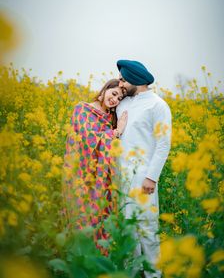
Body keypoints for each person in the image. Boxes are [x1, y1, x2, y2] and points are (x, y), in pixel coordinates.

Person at [116, 60, 172, 278]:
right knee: (127, 230)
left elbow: (163, 143)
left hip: (143, 180)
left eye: (122, 79)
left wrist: (151, 177)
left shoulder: (158, 105)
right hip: (122, 178)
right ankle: (132, 273)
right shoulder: (123, 104)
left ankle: (154, 275)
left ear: (135, 80)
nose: (120, 83)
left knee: (147, 230)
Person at [62, 79, 127, 244]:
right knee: (80, 218)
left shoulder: (110, 117)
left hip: (100, 178)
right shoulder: (82, 109)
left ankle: (97, 261)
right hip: (80, 174)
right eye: (114, 94)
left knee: (99, 217)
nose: (115, 100)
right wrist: (117, 131)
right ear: (105, 90)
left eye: (119, 99)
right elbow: (88, 139)